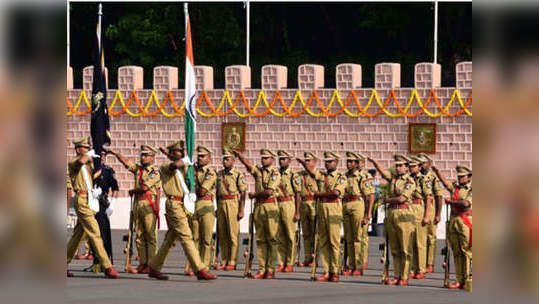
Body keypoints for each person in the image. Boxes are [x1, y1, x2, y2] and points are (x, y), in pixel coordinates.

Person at [143, 140, 217, 281]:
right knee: (186, 236)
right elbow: (172, 166)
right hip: (174, 204)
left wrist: (186, 161)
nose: (182, 153)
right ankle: (199, 269)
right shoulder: (166, 166)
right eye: (179, 151)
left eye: (183, 151)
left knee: (170, 239)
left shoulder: (184, 166)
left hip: (183, 204)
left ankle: (154, 266)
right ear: (172, 153)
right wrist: (183, 160)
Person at [66, 137, 119, 278]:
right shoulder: (73, 162)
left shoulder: (89, 165)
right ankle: (107, 266)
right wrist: (89, 155)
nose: (88, 149)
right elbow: (79, 162)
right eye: (85, 147)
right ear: (78, 149)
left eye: (88, 147)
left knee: (77, 236)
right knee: (95, 232)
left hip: (90, 199)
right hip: (82, 200)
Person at [105, 145, 161, 274]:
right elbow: (126, 162)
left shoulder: (154, 172)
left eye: (146, 155)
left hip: (148, 204)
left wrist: (132, 191)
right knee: (139, 236)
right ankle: (143, 263)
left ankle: (151, 263)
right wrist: (115, 152)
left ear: (153, 157)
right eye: (142, 155)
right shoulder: (139, 170)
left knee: (150, 236)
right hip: (137, 204)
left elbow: (145, 187)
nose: (143, 157)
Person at [297, 151, 347, 283]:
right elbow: (311, 172)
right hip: (322, 208)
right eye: (326, 161)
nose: (327, 164)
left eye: (330, 161)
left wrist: (320, 194)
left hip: (333, 209)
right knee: (323, 241)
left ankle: (334, 271)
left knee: (334, 242)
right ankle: (326, 271)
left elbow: (336, 193)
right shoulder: (322, 175)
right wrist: (303, 163)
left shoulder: (341, 177)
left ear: (336, 162)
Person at [368, 154, 416, 286]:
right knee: (394, 247)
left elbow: (402, 198)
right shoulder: (394, 179)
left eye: (401, 166)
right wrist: (374, 162)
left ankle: (404, 276)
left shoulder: (410, 181)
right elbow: (383, 174)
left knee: (405, 248)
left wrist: (386, 200)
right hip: (392, 213)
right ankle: (397, 275)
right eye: (397, 165)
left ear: (407, 168)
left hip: (404, 214)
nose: (398, 168)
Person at [233, 149, 281, 279]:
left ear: (272, 159)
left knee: (271, 238)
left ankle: (270, 269)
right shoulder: (259, 171)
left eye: (266, 158)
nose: (263, 160)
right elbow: (249, 165)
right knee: (260, 239)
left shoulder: (275, 173)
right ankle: (262, 268)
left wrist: (254, 195)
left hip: (270, 206)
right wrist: (240, 156)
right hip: (259, 206)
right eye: (262, 158)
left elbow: (269, 191)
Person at [433, 165, 472, 289]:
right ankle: (459, 279)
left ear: (469, 177)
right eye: (459, 176)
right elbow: (445, 183)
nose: (460, 179)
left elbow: (466, 203)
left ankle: (467, 279)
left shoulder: (471, 189)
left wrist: (451, 202)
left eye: (462, 177)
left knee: (465, 251)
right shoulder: (455, 187)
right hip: (454, 219)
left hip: (465, 221)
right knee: (456, 251)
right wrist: (437, 171)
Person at [341, 152, 374, 276]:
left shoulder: (363, 176)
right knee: (348, 238)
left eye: (351, 162)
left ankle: (358, 266)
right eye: (347, 161)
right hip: (346, 204)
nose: (349, 164)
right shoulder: (345, 176)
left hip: (357, 204)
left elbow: (369, 195)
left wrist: (368, 214)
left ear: (356, 164)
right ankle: (351, 265)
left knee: (357, 237)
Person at [215, 148, 247, 270]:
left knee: (233, 234)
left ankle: (232, 261)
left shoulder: (238, 175)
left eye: (227, 159)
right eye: (224, 159)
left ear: (233, 161)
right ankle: (224, 260)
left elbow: (243, 192)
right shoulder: (219, 174)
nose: (225, 161)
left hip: (233, 203)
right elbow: (217, 192)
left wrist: (241, 209)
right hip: (222, 203)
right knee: (222, 234)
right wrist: (217, 207)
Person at [89, 149, 119, 271]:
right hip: (90, 202)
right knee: (92, 234)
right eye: (100, 155)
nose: (102, 157)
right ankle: (96, 261)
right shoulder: (89, 170)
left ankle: (104, 262)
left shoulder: (108, 171)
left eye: (103, 155)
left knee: (103, 233)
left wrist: (113, 204)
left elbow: (115, 188)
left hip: (102, 204)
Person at [416, 153, 443, 274]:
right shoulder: (415, 176)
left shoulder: (433, 178)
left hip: (430, 209)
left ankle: (429, 263)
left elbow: (438, 196)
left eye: (423, 163)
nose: (421, 166)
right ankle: (418, 263)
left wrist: (438, 213)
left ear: (429, 164)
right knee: (418, 238)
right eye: (420, 163)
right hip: (417, 208)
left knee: (430, 238)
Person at [191, 146, 218, 268]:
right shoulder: (193, 171)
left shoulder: (210, 173)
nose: (199, 158)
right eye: (199, 156)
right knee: (195, 238)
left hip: (206, 205)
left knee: (206, 239)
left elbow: (202, 191)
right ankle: (195, 264)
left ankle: (205, 265)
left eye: (202, 156)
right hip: (195, 205)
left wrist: (192, 188)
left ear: (209, 158)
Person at [275, 150, 300, 273]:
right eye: (280, 159)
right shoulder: (275, 173)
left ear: (289, 161)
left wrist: (297, 212)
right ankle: (281, 262)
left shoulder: (293, 175)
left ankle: (289, 262)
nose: (281, 161)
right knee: (279, 235)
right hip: (277, 203)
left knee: (290, 235)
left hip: (288, 203)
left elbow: (297, 193)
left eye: (284, 159)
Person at [294, 152, 320, 268]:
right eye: (306, 160)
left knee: (315, 232)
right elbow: (298, 193)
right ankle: (307, 257)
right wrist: (297, 211)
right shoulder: (300, 175)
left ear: (314, 162)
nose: (307, 162)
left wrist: (302, 163)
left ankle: (315, 258)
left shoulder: (317, 173)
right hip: (304, 203)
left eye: (309, 160)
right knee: (306, 233)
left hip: (314, 203)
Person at [408, 156, 428, 280]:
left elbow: (429, 198)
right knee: (409, 241)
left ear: (419, 167)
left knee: (419, 242)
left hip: (419, 208)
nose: (411, 168)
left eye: (414, 166)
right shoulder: (408, 179)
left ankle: (420, 269)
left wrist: (426, 215)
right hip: (408, 208)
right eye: (410, 166)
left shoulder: (423, 180)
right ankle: (411, 268)